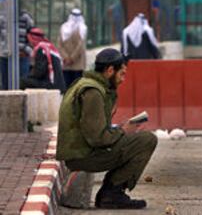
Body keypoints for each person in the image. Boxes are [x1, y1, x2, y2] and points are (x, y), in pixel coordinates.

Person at [56, 48, 157, 209]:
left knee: (134, 139)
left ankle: (110, 193)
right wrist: (123, 131)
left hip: (81, 151)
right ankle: (112, 193)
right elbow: (98, 138)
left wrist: (119, 128)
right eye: (121, 74)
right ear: (110, 70)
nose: (123, 80)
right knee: (146, 140)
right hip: (83, 157)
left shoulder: (86, 84)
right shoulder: (93, 92)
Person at [20, 28, 66, 93]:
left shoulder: (41, 49)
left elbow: (39, 72)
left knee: (22, 82)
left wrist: (29, 76)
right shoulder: (49, 46)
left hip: (51, 85)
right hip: (58, 84)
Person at [0, 11, 34, 89]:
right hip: (6, 57)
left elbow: (32, 36)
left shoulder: (26, 18)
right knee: (5, 85)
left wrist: (26, 50)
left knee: (22, 83)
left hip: (22, 56)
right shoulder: (2, 18)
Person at [57, 8, 87, 88]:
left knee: (76, 88)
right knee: (68, 87)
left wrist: (69, 58)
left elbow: (80, 46)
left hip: (76, 64)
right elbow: (59, 45)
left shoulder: (81, 28)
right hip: (68, 64)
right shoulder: (64, 27)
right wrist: (68, 58)